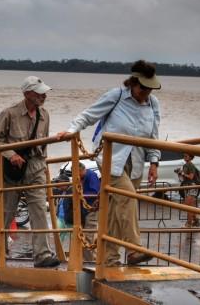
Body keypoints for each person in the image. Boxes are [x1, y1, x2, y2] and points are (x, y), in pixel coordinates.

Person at [57, 60, 161, 266]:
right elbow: (89, 114)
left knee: (115, 212)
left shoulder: (153, 103)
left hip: (136, 162)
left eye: (149, 88)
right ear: (133, 82)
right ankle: (134, 249)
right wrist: (71, 131)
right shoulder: (117, 96)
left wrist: (155, 163)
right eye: (142, 87)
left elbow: (153, 136)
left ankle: (108, 259)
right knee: (127, 199)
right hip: (111, 159)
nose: (146, 92)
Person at [0, 76, 60, 268]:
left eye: (44, 92)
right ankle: (0, 247)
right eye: (39, 93)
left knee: (39, 211)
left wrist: (45, 169)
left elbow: (43, 146)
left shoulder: (44, 115)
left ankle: (42, 255)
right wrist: (11, 154)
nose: (43, 96)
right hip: (12, 171)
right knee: (6, 212)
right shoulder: (9, 114)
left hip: (36, 169)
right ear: (27, 93)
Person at [177, 153, 200, 227]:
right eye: (184, 155)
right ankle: (195, 220)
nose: (184, 157)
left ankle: (189, 223)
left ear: (190, 157)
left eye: (186, 156)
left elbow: (191, 177)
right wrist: (179, 173)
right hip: (187, 186)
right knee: (190, 205)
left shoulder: (190, 165)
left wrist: (182, 173)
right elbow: (183, 179)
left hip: (192, 186)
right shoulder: (186, 165)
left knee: (188, 205)